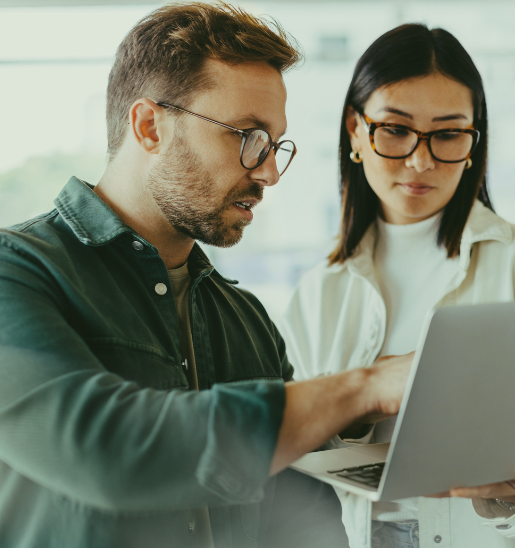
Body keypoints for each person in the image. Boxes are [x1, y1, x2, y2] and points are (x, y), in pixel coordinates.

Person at [0, 4, 412, 548]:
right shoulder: (18, 272)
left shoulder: (245, 319)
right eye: (247, 136)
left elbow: (302, 517)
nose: (267, 172)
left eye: (273, 146)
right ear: (149, 126)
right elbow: (107, 449)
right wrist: (363, 388)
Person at [279, 23, 515, 548]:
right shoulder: (317, 294)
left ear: (474, 141)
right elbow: (284, 451)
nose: (420, 160)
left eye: (449, 133)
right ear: (355, 131)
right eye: (396, 129)